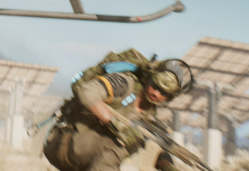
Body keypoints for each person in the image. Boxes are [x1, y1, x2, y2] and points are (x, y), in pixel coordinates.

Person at [44, 49, 192, 171]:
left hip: (83, 157)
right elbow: (86, 91)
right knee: (123, 143)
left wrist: (166, 166)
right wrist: (118, 127)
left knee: (135, 140)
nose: (156, 93)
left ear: (170, 97)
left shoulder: (149, 117)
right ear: (148, 77)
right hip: (64, 143)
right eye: (155, 85)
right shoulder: (125, 84)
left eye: (164, 92)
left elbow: (156, 147)